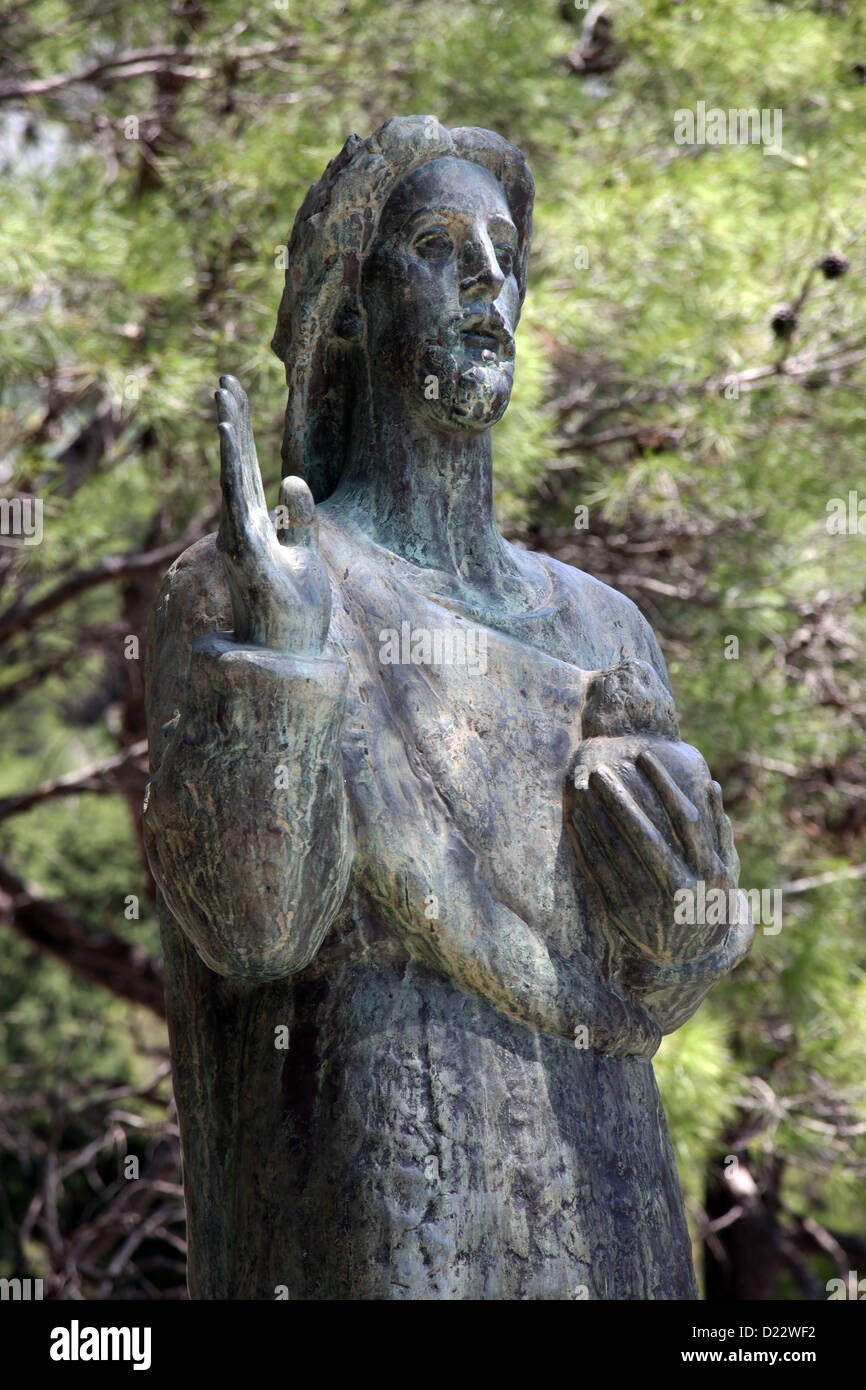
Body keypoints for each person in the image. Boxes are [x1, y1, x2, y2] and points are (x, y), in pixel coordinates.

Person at [143, 115, 752, 1300]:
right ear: (354, 306)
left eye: (507, 252)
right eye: (438, 244)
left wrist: (691, 918)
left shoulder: (603, 628)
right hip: (381, 1205)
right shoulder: (258, 581)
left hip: (609, 1200)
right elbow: (255, 932)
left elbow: (670, 969)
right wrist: (281, 666)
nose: (488, 276)